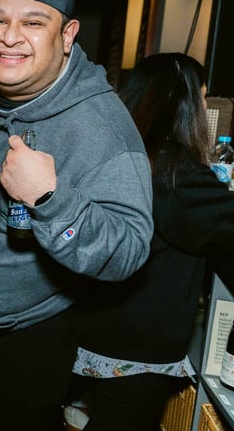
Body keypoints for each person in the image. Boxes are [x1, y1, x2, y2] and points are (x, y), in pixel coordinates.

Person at [0, 0, 154, 431]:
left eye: (33, 23)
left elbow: (130, 249)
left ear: (67, 35)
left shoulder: (103, 127)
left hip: (28, 330)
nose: (9, 38)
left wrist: (50, 200)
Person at [67, 53, 234, 430]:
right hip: (138, 345)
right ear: (185, 105)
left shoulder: (120, 153)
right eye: (203, 97)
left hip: (97, 326)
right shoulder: (175, 171)